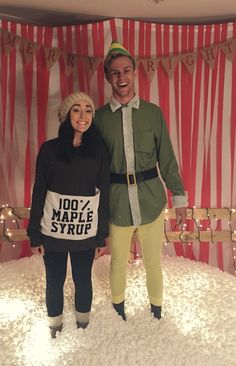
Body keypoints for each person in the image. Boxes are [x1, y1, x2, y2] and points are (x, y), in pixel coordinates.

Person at [94, 41, 188, 321]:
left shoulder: (153, 113)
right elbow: (92, 166)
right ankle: (118, 309)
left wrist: (179, 198)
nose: (121, 77)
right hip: (117, 202)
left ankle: (156, 310)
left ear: (135, 73)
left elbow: (167, 159)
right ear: (108, 77)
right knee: (117, 263)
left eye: (126, 71)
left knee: (153, 263)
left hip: (150, 200)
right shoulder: (97, 119)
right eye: (115, 73)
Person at [27, 91, 110, 338]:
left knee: (83, 280)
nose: (83, 115)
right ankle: (55, 326)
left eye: (88, 110)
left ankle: (83, 324)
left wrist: (101, 235)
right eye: (76, 109)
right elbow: (39, 191)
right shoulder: (49, 150)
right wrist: (34, 234)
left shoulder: (99, 151)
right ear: (66, 114)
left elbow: (104, 193)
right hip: (52, 232)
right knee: (55, 280)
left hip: (85, 232)